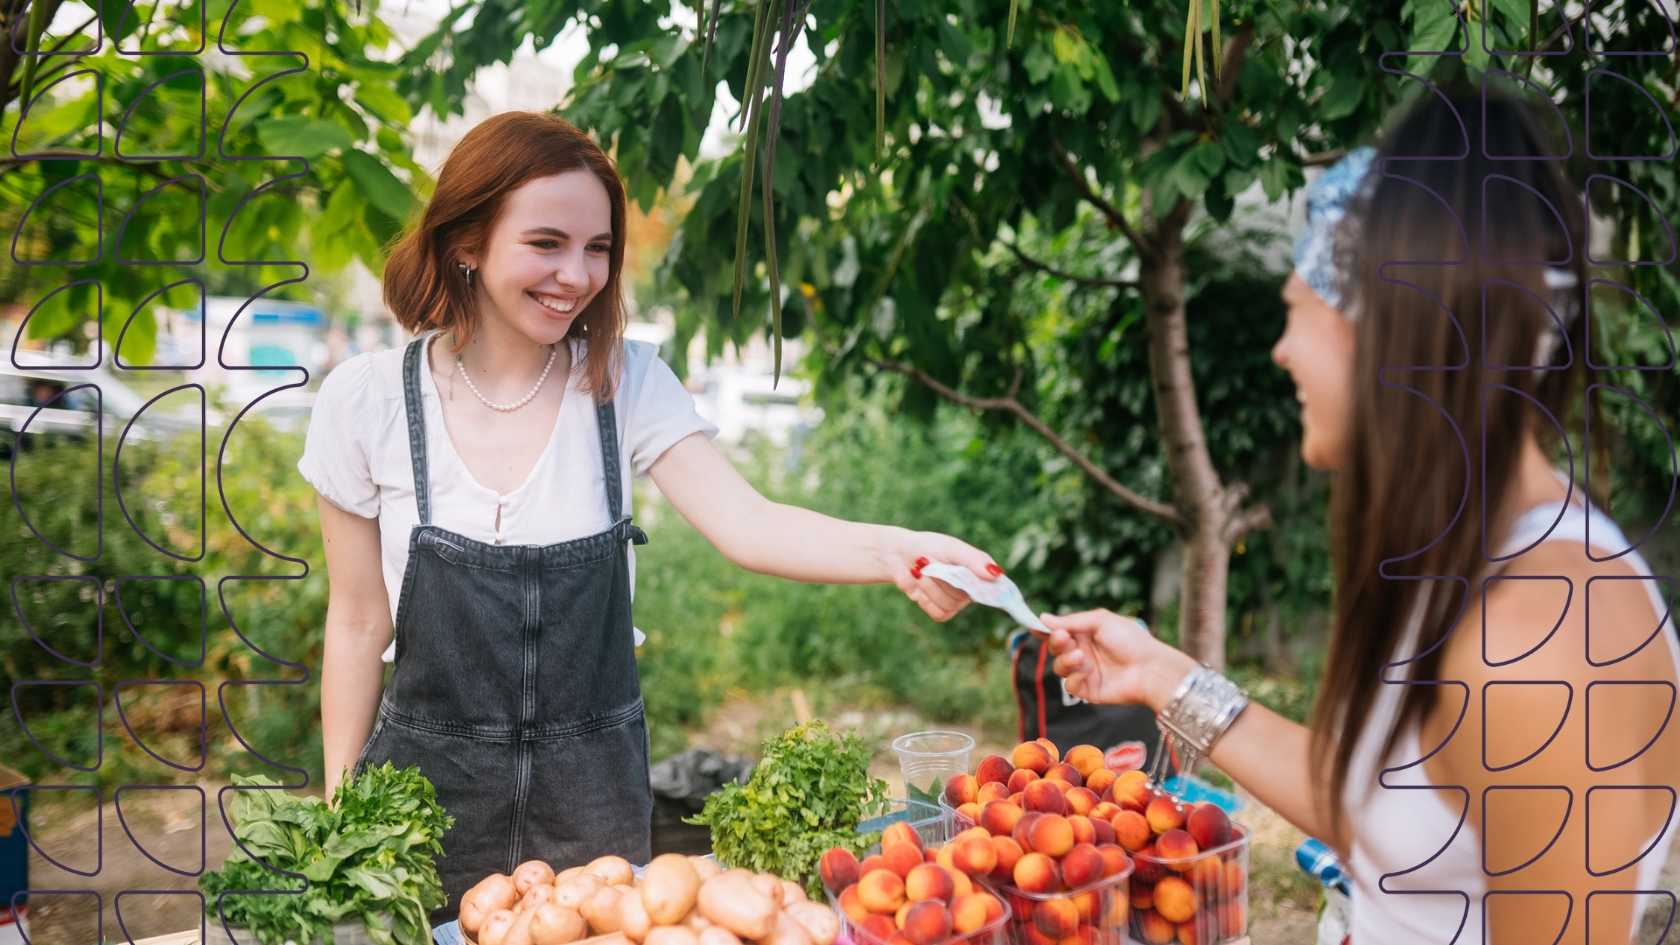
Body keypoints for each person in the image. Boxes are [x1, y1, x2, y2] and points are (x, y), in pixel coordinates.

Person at [298, 111, 1002, 919]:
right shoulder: (369, 400)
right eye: (546, 243)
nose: (578, 274)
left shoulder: (624, 384)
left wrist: (897, 552)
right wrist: (340, 817)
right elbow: (356, 622)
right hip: (422, 808)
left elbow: (751, 523)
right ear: (467, 241)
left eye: (598, 248)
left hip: (592, 815)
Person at [1041, 90, 1680, 945]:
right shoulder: (1468, 561)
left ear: (1383, 334)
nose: (1281, 350)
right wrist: (1165, 676)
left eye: (1297, 312)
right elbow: (1388, 808)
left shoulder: (1535, 652)